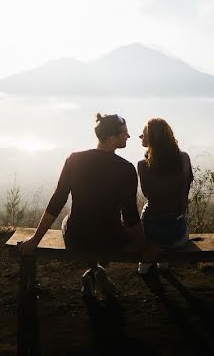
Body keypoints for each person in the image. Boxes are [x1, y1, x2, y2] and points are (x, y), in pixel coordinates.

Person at [19, 113, 155, 299]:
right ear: (111, 138)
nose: (129, 136)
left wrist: (35, 240)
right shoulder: (126, 169)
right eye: (124, 133)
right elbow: (130, 215)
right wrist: (144, 248)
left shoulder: (74, 160)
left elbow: (57, 200)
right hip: (111, 239)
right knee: (109, 225)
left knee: (69, 219)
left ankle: (93, 271)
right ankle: (96, 272)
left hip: (78, 237)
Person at [136, 117, 193, 274]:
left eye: (143, 134)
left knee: (148, 208)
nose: (140, 137)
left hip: (152, 235)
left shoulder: (143, 164)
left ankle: (145, 265)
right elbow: (187, 185)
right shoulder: (184, 158)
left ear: (152, 138)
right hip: (178, 236)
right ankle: (163, 263)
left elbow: (149, 194)